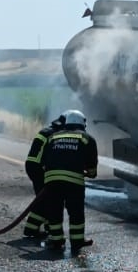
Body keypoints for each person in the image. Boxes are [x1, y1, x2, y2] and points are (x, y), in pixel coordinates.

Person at [37, 109, 98, 254]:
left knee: (54, 211)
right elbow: (91, 166)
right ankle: (77, 242)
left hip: (51, 180)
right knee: (75, 212)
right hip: (74, 182)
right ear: (82, 123)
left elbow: (44, 160)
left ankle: (56, 240)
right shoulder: (86, 138)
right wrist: (90, 173)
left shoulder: (53, 137)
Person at [22, 114, 65, 239]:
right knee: (48, 199)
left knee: (44, 199)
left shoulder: (47, 130)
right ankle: (37, 229)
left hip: (32, 166)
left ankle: (33, 228)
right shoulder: (54, 135)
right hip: (38, 168)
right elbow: (51, 154)